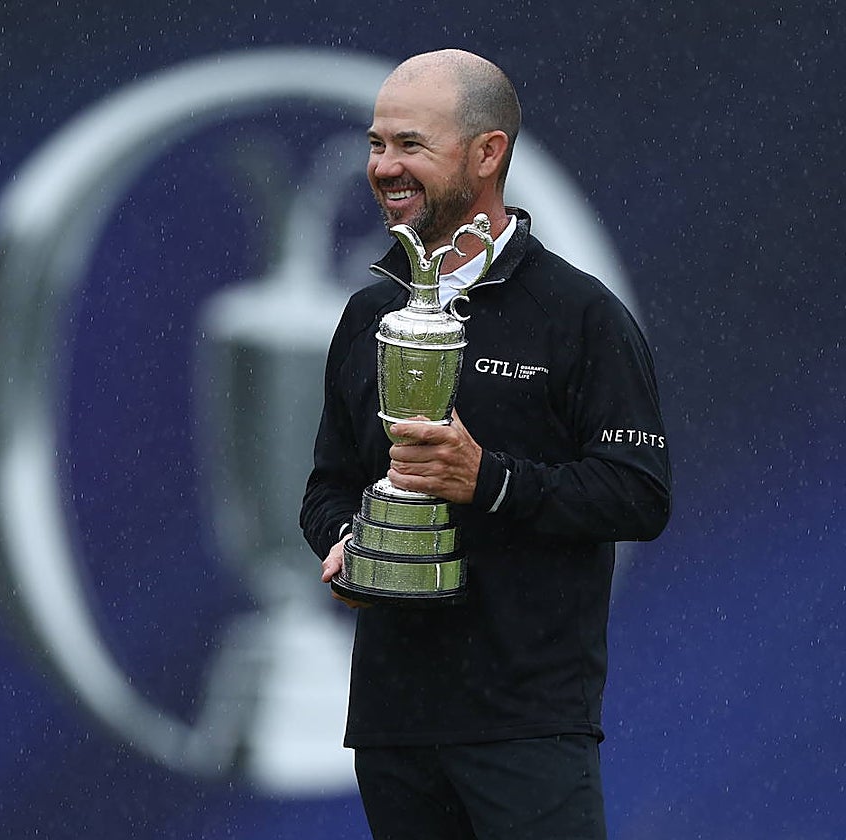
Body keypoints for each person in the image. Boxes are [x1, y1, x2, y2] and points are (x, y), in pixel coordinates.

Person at [299, 49, 672, 839]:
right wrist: (349, 543)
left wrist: (490, 480)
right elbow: (328, 486)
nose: (385, 167)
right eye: (376, 145)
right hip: (394, 724)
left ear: (488, 153)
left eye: (410, 146)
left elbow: (639, 491)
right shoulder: (370, 317)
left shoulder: (580, 315)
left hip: (527, 724)